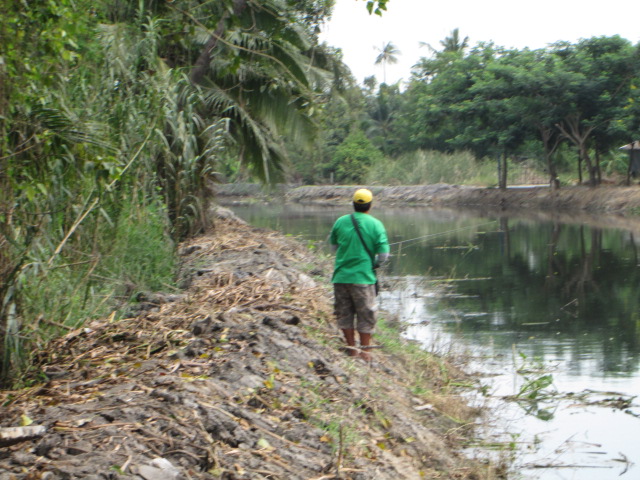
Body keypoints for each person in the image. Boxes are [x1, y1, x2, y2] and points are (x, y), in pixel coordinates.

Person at [329, 188, 390, 361]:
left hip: (341, 277)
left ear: (353, 204)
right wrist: (374, 264)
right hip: (363, 278)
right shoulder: (376, 224)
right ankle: (366, 352)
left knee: (344, 313)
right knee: (366, 315)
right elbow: (383, 257)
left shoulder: (340, 221)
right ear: (370, 205)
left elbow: (334, 247)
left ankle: (351, 349)